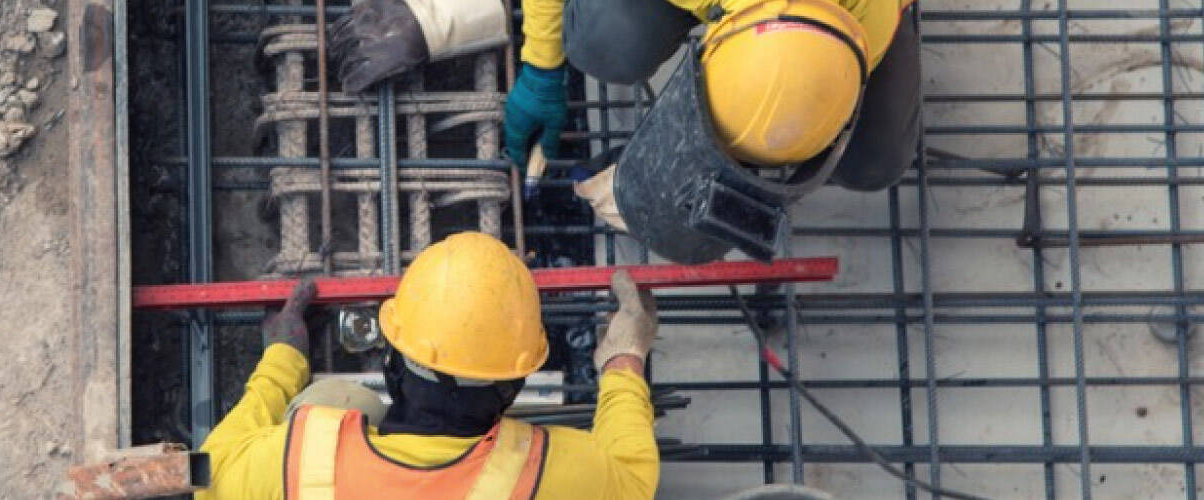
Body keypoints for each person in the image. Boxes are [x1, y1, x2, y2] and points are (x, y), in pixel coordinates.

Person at [198, 232, 661, 499]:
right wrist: (624, 356)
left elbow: (210, 470)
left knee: (338, 400)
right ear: (515, 387)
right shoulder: (552, 470)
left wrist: (282, 359)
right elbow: (633, 480)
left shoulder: (299, 458)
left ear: (390, 364)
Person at [504, 0, 922, 262]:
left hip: (857, 21)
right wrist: (542, 64)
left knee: (875, 160)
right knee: (606, 40)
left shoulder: (873, 27)